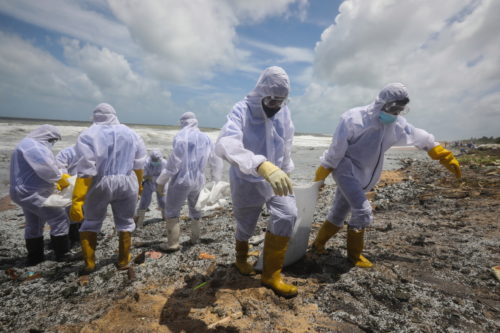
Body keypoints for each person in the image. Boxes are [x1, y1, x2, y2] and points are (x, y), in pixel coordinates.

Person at [312, 83, 462, 268]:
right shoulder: (354, 119)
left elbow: (419, 136)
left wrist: (444, 155)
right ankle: (354, 256)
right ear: (381, 102)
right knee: (362, 211)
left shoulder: (396, 124)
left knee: (339, 211)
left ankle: (317, 245)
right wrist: (321, 175)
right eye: (393, 107)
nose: (396, 112)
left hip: (363, 174)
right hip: (345, 169)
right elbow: (336, 150)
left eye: (400, 109)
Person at [215, 66, 298, 298]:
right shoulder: (241, 110)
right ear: (261, 93)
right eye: (271, 100)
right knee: (246, 224)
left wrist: (285, 170)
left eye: (281, 101)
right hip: (246, 178)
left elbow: (287, 142)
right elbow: (226, 144)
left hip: (276, 177)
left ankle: (271, 274)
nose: (276, 106)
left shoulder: (283, 113)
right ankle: (241, 258)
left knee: (288, 213)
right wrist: (260, 164)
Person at [69, 103, 146, 273]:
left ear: (95, 116)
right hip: (127, 181)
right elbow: (139, 163)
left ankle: (90, 263)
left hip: (99, 183)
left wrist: (77, 200)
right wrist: (139, 185)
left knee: (91, 222)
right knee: (125, 222)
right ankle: (124, 260)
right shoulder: (132, 134)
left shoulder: (89, 134)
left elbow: (86, 169)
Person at [156, 112, 223, 250]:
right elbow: (215, 160)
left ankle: (173, 243)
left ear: (183, 122)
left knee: (172, 209)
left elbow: (173, 163)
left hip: (181, 179)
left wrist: (162, 181)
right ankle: (195, 238)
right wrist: (216, 179)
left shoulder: (181, 136)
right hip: (198, 179)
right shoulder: (206, 138)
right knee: (195, 207)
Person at [9, 125, 72, 265]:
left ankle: (35, 258)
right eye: (53, 139)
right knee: (59, 218)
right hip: (31, 192)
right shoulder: (34, 147)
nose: (53, 142)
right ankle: (62, 255)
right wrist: (60, 178)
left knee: (34, 223)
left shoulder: (27, 144)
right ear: (47, 136)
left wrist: (58, 177)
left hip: (25, 191)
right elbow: (46, 168)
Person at [134, 149, 167, 228]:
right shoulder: (146, 162)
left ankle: (165, 218)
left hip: (160, 182)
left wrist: (159, 180)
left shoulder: (164, 163)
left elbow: (167, 174)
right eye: (154, 160)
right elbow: (143, 175)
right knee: (144, 201)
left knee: (163, 200)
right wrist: (151, 177)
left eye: (157, 160)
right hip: (149, 183)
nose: (155, 162)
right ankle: (139, 222)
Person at [55, 145, 80, 246]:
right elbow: (59, 167)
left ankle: (80, 235)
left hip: (86, 183)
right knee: (70, 210)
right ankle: (73, 237)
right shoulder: (68, 152)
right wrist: (68, 179)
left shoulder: (95, 151)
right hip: (70, 184)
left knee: (85, 210)